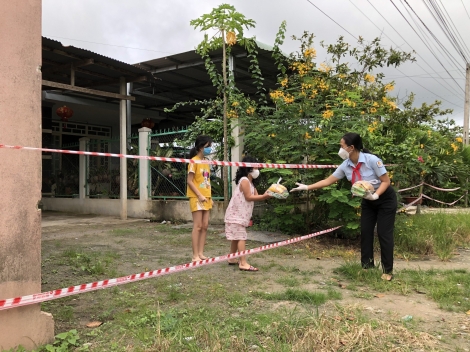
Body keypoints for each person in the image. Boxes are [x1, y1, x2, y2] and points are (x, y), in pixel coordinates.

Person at [290, 132, 396, 281]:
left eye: (342, 146)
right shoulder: (346, 165)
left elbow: (386, 181)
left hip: (385, 199)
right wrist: (306, 187)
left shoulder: (372, 160)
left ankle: (388, 271)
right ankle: (367, 267)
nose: (340, 149)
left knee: (384, 234)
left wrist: (376, 195)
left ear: (351, 147)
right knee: (366, 232)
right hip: (367, 200)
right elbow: (328, 181)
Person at [225, 156, 271, 271]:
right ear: (249, 167)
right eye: (255, 165)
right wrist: (265, 196)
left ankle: (231, 258)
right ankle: (243, 263)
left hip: (241, 215)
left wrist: (269, 192)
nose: (257, 168)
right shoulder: (244, 180)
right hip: (236, 214)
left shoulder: (250, 183)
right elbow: (249, 197)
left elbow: (256, 196)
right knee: (241, 237)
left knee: (236, 237)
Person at [187, 135, 213, 262]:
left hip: (206, 197)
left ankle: (201, 253)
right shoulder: (193, 161)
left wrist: (209, 197)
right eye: (208, 146)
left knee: (205, 226)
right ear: (200, 147)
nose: (210, 149)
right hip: (196, 197)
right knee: (197, 226)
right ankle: (195, 255)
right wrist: (199, 195)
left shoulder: (206, 162)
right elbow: (190, 181)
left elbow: (207, 181)